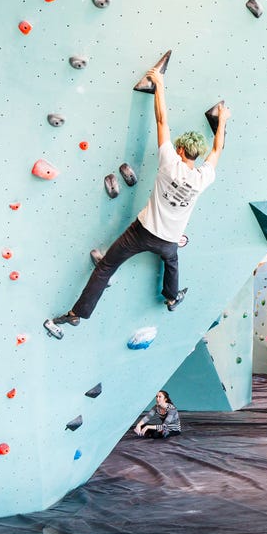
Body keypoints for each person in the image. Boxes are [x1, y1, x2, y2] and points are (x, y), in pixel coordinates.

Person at [47, 69, 229, 336]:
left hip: (141, 232)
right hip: (168, 240)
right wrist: (222, 120)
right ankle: (171, 297)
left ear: (180, 150)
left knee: (107, 267)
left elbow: (161, 120)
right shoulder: (202, 177)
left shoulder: (169, 162)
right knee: (171, 263)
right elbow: (217, 150)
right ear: (195, 154)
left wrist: (160, 84)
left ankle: (77, 313)